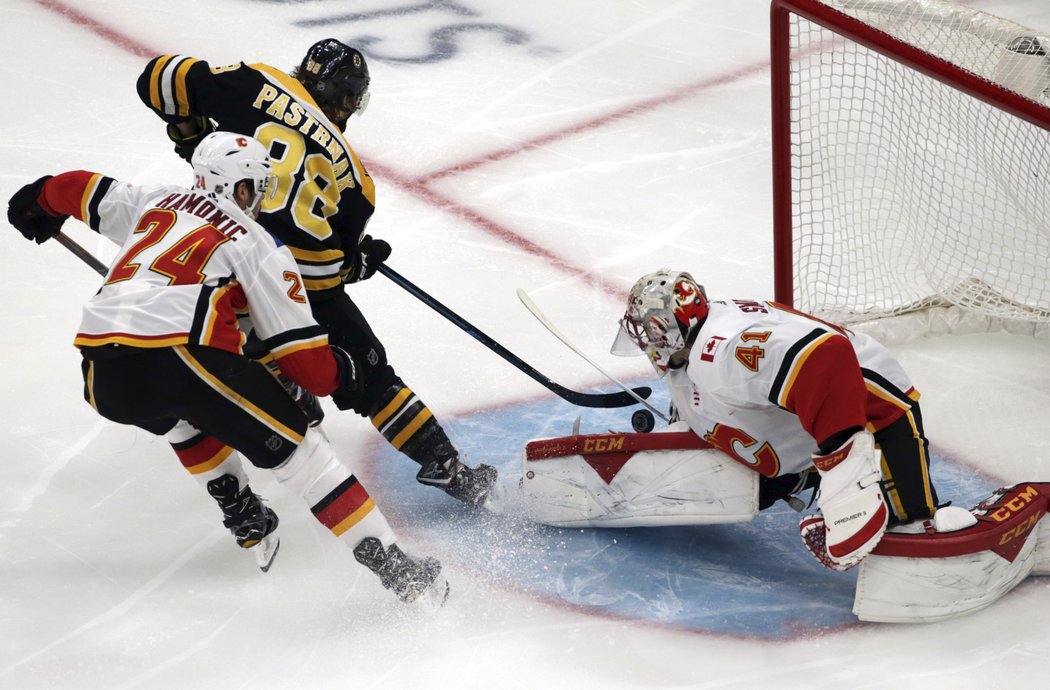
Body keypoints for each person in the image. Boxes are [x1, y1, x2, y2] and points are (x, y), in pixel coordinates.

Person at [6, 132, 448, 605]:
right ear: (239, 188)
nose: (259, 199)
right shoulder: (256, 244)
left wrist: (39, 198)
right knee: (303, 455)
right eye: (255, 187)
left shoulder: (157, 200)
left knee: (179, 412)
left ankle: (242, 512)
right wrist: (347, 369)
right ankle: (401, 571)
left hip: (99, 372)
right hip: (180, 355)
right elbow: (309, 369)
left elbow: (79, 189)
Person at [134, 39, 497, 511]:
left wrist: (192, 135)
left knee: (206, 337)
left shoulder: (253, 80)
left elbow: (158, 81)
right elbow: (335, 267)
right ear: (346, 98)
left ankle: (266, 369)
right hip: (294, 284)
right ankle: (445, 466)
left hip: (217, 259)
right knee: (371, 373)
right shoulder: (357, 180)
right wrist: (359, 263)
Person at [610, 269, 974, 571]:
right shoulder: (695, 346)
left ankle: (913, 516)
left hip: (869, 401)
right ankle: (801, 474)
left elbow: (825, 357)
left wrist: (842, 463)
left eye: (651, 332)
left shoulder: (723, 352)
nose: (647, 343)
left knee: (908, 524)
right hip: (807, 411)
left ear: (669, 328)